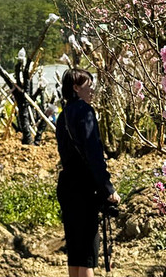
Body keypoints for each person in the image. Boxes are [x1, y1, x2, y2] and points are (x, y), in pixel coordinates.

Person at [56, 68, 119, 277]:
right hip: (84, 188)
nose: (92, 90)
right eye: (88, 85)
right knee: (88, 255)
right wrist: (108, 188)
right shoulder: (85, 111)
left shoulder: (62, 116)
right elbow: (93, 155)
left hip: (67, 186)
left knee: (75, 251)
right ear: (76, 88)